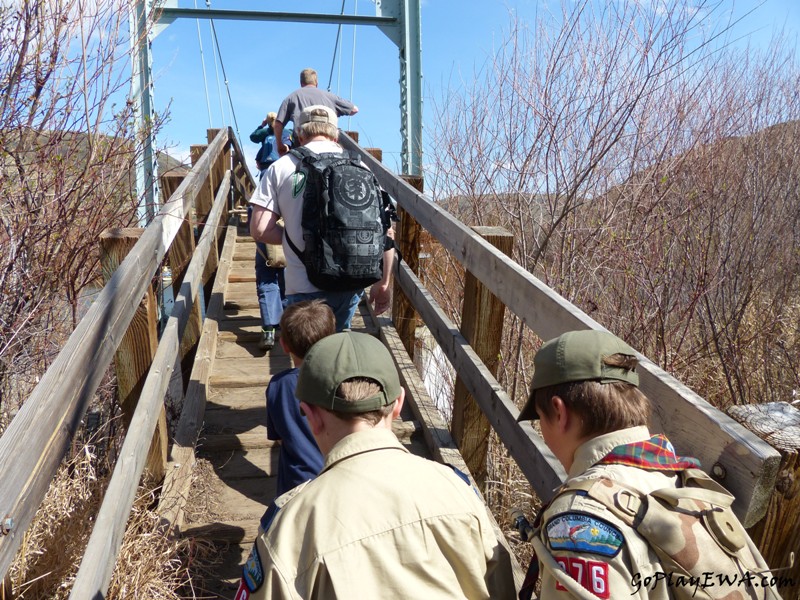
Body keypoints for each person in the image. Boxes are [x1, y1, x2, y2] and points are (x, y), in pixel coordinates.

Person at [235, 332, 517, 599]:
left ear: (311, 416)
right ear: (398, 404)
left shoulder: (289, 526)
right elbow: (502, 587)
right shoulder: (458, 489)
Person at [516, 329, 782, 600]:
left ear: (559, 412)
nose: (544, 436)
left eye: (540, 419)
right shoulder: (688, 479)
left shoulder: (579, 523)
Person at [249, 105, 394, 331]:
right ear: (336, 134)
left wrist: (298, 239)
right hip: (350, 282)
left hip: (304, 286)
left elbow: (260, 229)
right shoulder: (361, 166)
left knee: (309, 357)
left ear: (299, 134)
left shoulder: (281, 167)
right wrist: (384, 283)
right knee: (336, 350)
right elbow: (385, 230)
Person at [265, 300, 332, 501]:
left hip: (297, 483)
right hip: (339, 475)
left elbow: (279, 436)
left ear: (284, 345)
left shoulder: (279, 385)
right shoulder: (342, 377)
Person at [248, 112, 292, 350]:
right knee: (286, 271)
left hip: (264, 213)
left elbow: (253, 139)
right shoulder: (291, 136)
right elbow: (255, 137)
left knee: (266, 272)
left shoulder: (266, 176)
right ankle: (285, 326)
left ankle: (269, 329)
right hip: (289, 216)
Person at [273, 67, 358, 156]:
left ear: (301, 83)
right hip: (328, 148)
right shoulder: (330, 97)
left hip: (301, 149)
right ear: (316, 82)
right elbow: (354, 109)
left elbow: (278, 124)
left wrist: (280, 146)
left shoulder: (291, 98)